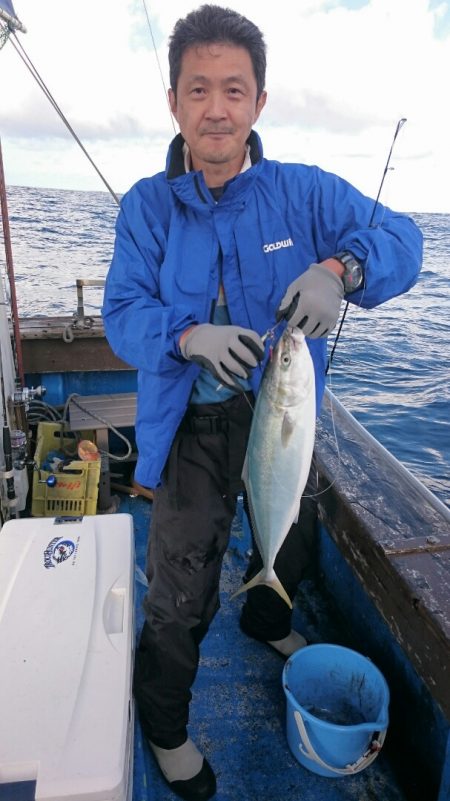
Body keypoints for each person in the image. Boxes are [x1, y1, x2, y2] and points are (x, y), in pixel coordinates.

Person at [102, 5, 423, 799]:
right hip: (191, 424)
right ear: (174, 102)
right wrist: (185, 337)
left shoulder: (304, 192)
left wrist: (341, 270)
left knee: (294, 524)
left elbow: (404, 239)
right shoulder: (147, 206)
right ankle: (167, 723)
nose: (217, 107)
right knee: (181, 579)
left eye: (235, 90)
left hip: (282, 410)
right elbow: (121, 314)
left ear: (259, 103)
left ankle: (268, 615)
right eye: (199, 89)